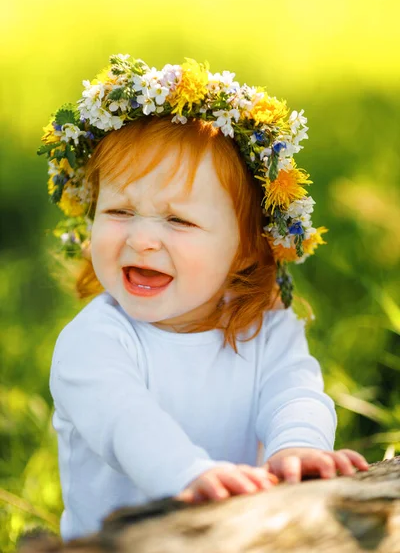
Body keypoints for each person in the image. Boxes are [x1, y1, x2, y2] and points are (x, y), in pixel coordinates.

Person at [39, 54, 369, 541]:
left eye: (179, 220)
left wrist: (297, 445)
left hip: (236, 536)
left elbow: (295, 391)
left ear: (246, 246)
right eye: (119, 210)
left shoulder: (265, 326)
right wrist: (189, 474)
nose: (143, 240)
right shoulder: (94, 343)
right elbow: (126, 422)